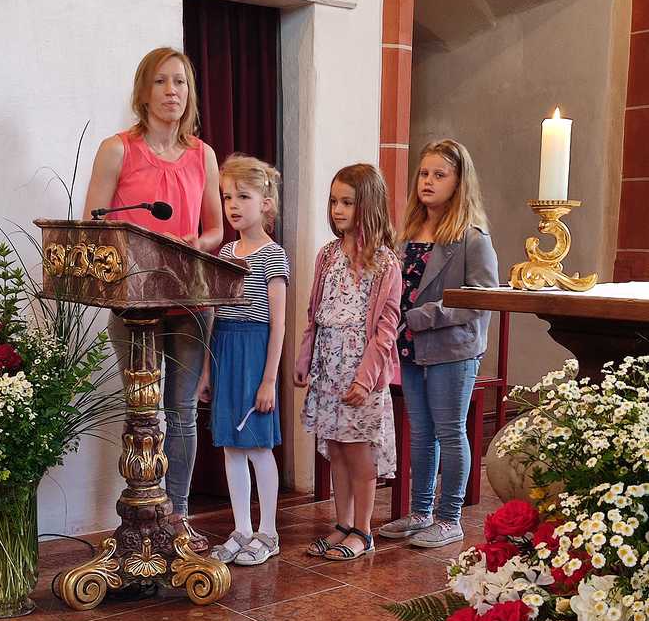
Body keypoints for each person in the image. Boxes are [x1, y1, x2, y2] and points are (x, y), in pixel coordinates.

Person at [83, 47, 224, 552]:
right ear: (143, 91)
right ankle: (140, 516)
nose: (172, 91)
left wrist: (196, 244)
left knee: (181, 411)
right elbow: (94, 225)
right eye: (161, 81)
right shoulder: (117, 149)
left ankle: (178, 516)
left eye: (180, 82)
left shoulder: (203, 155)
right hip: (134, 303)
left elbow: (216, 230)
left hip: (190, 301)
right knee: (141, 409)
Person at [379, 139, 499, 549]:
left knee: (449, 431)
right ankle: (420, 513)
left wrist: (419, 317)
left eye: (439, 175)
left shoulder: (472, 238)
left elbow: (480, 301)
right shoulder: (408, 233)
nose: (427, 181)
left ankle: (450, 519)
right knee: (420, 431)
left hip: (452, 349)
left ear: (459, 182)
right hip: (410, 347)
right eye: (424, 174)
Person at [294, 164, 401, 561]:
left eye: (347, 203)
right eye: (334, 201)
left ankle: (363, 530)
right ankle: (342, 524)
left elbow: (385, 329)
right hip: (328, 367)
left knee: (358, 452)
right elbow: (315, 313)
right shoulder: (327, 255)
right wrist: (305, 357)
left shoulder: (385, 263)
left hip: (360, 370)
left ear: (368, 206)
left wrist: (366, 379)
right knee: (336, 449)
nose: (337, 210)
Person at [197, 155, 288, 566]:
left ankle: (268, 532)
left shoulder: (273, 256)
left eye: (243, 196)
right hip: (225, 350)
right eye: (227, 197)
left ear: (265, 203)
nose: (233, 205)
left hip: (254, 353)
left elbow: (278, 324)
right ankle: (242, 530)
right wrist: (206, 370)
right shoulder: (226, 251)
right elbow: (215, 313)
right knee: (231, 447)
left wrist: (268, 380)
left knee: (257, 446)